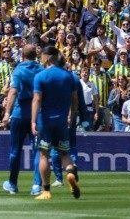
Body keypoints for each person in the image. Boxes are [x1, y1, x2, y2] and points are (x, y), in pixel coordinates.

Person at [31, 46, 81, 200]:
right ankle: (71, 174)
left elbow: (37, 99)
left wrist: (33, 121)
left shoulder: (41, 76)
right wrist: (71, 117)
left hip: (45, 121)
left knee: (44, 154)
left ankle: (46, 190)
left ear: (47, 57)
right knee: (65, 153)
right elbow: (75, 100)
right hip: (62, 121)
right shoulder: (69, 76)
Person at [0, 44, 43, 195]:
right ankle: (37, 185)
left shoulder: (18, 70)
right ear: (35, 55)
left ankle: (12, 183)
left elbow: (12, 92)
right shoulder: (41, 70)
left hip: (19, 113)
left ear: (22, 56)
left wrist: (6, 114)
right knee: (38, 151)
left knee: (15, 151)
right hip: (37, 115)